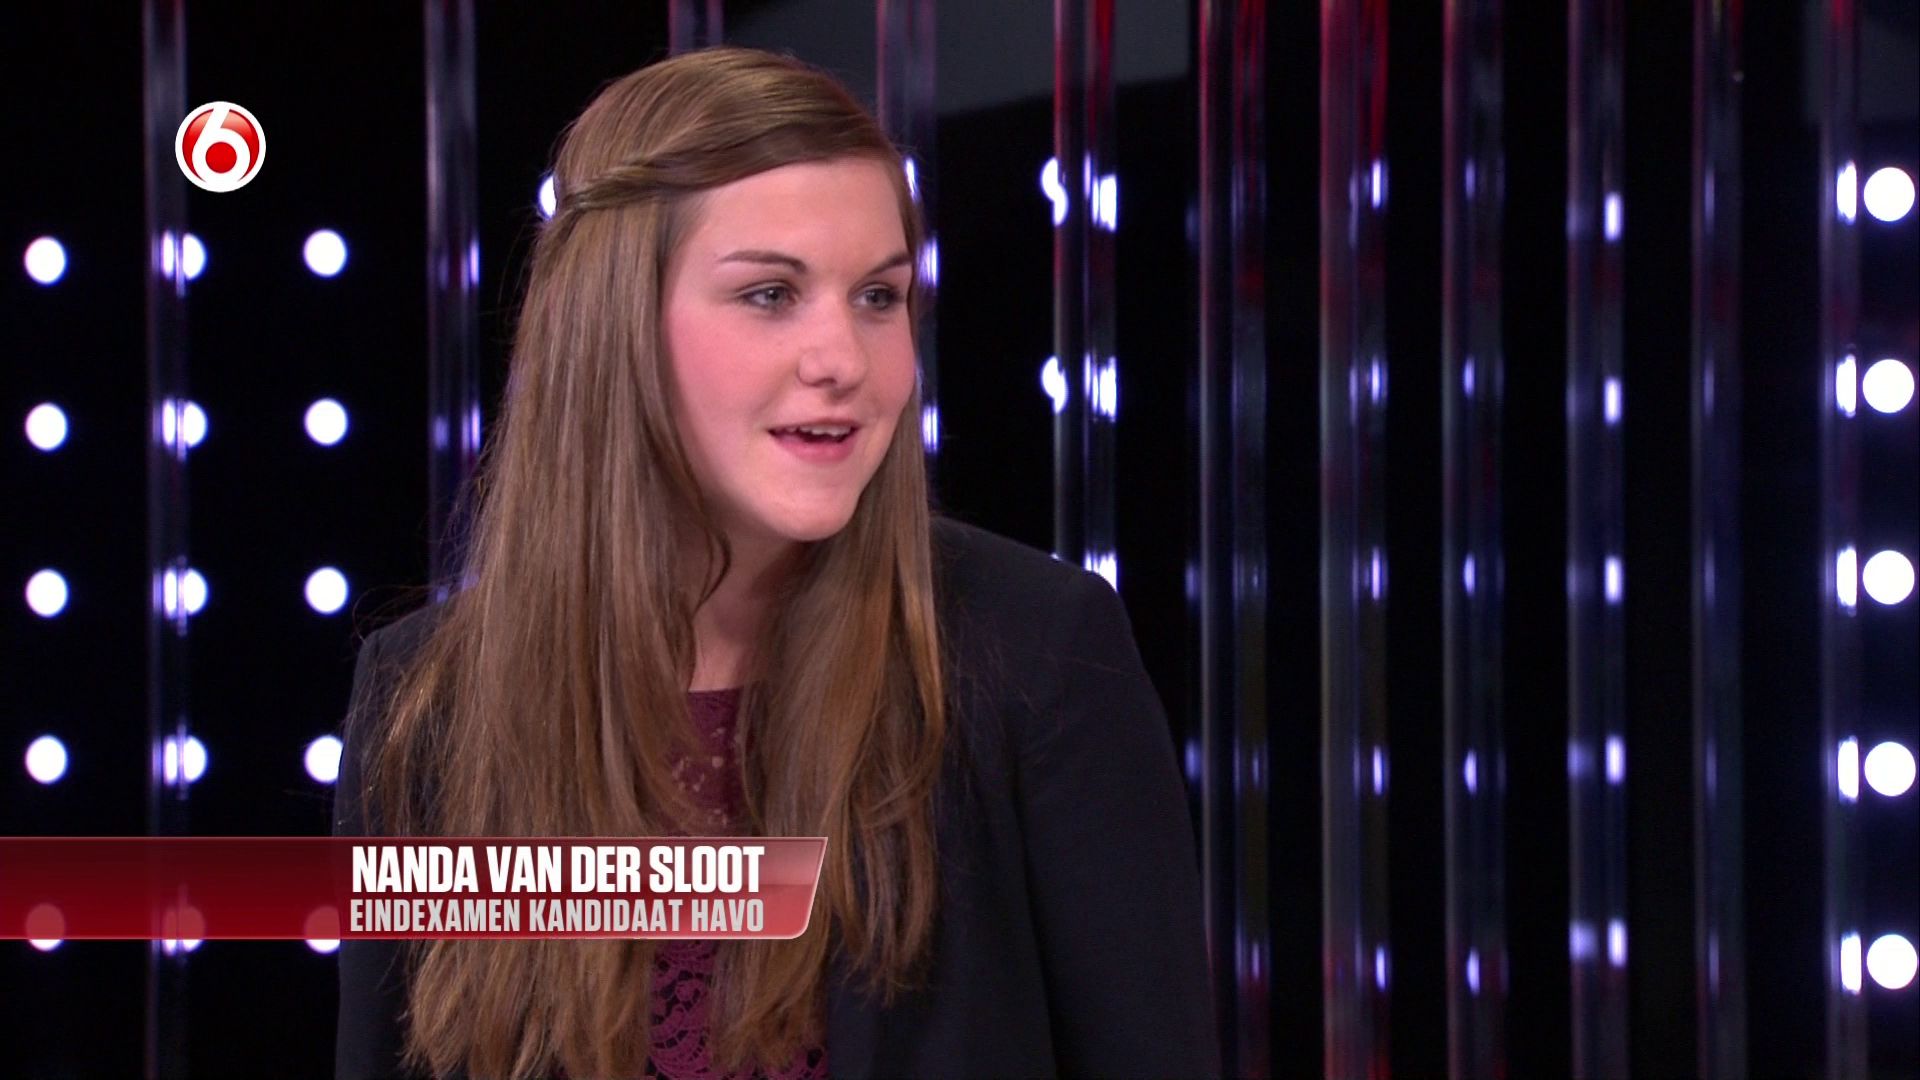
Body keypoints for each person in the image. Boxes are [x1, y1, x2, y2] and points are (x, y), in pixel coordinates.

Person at [333, 45, 1216, 1080]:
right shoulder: (428, 700)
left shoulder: (1038, 653)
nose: (843, 361)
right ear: (611, 327)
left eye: (878, 297)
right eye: (769, 295)